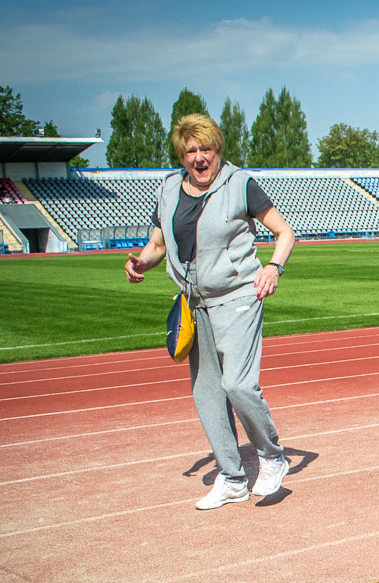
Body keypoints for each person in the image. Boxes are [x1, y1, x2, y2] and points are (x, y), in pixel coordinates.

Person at [125, 113, 296, 510]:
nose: (199, 158)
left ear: (218, 150)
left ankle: (272, 456)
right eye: (191, 151)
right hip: (193, 302)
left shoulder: (240, 184)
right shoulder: (168, 189)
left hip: (238, 296)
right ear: (181, 156)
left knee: (237, 385)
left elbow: (284, 232)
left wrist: (273, 268)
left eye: (207, 149)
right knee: (206, 394)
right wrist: (141, 264)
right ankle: (233, 477)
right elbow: (158, 245)